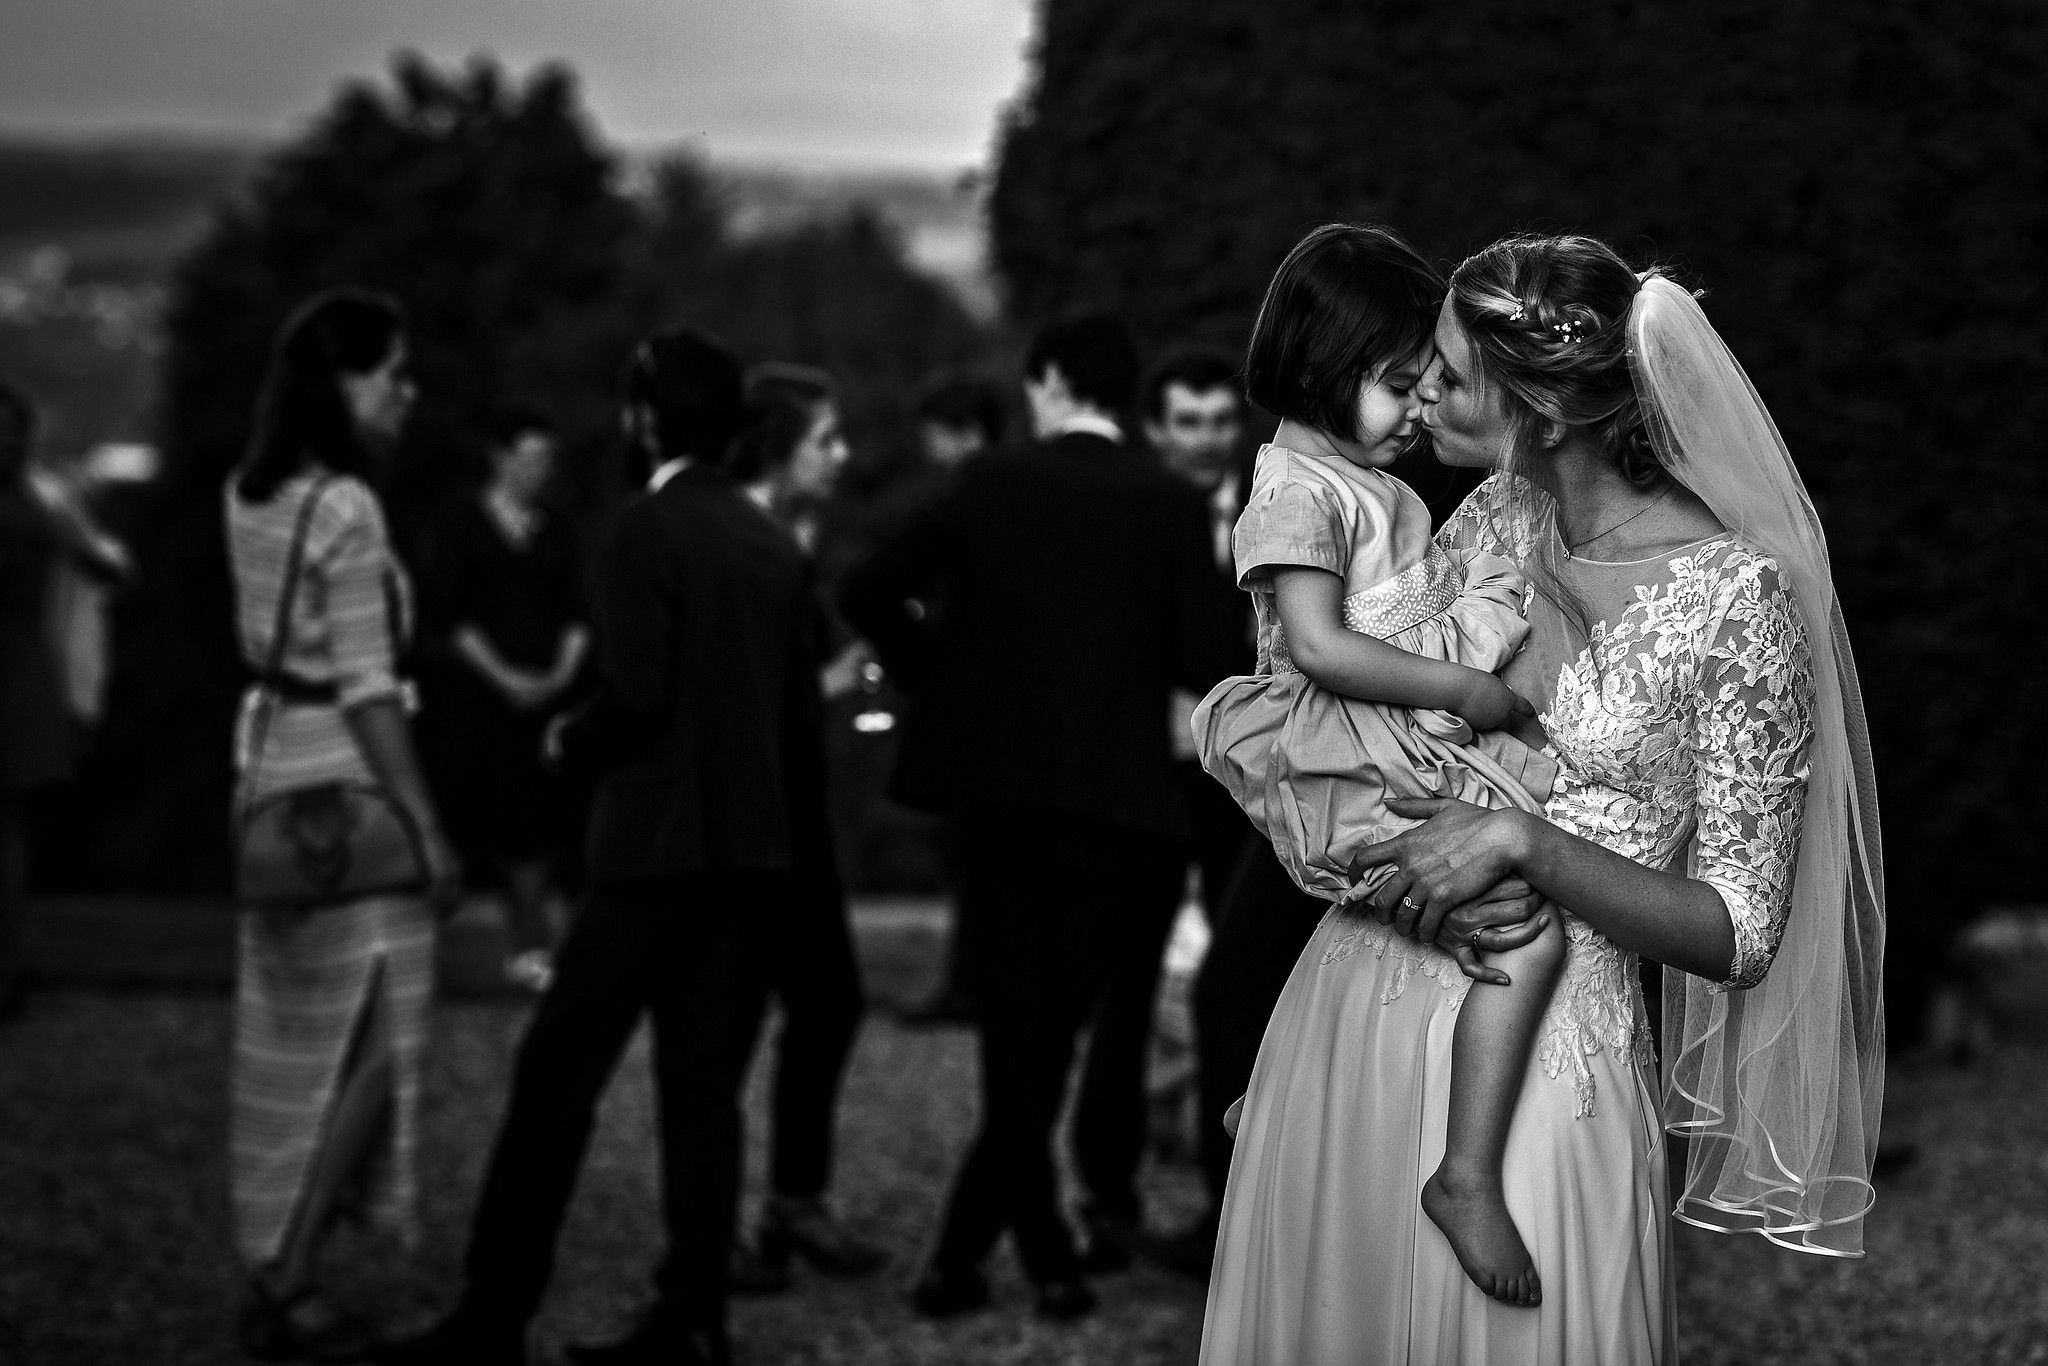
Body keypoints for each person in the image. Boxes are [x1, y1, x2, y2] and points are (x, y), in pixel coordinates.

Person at [1201, 233, 1884, 1364]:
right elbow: (1345, 732)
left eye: (1448, 374)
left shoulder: (1735, 600)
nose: (1422, 392)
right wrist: (1369, 864)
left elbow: (1740, 931)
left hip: (1549, 1057)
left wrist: (1525, 844)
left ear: (1545, 411)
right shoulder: (1490, 520)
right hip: (1351, 1003)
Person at [381, 327, 827, 1366]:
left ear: (643, 419)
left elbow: (632, 693)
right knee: (700, 1089)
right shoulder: (768, 542)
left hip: (652, 847)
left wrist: (565, 739)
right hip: (741, 852)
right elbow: (788, 717)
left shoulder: (643, 529)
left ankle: (494, 1312)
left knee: (555, 1077)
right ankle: (694, 1313)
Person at [1192, 223, 1565, 1304]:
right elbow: (1315, 646)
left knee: (1453, 903)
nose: (1418, 410)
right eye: (1399, 386)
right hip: (1347, 748)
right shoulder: (1296, 491)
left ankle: (1281, 1098)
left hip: (1391, 737)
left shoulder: (1366, 482)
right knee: (1525, 928)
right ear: (1323, 365)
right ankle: (1463, 1176)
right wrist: (1463, 689)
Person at [841, 313, 1234, 1321]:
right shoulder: (1165, 501)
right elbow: (1207, 657)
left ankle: (980, 1255)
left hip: (1001, 800)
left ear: (1052, 383)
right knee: (1049, 1034)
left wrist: (948, 687)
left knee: (1019, 1034)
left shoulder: (991, 480)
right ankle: (1029, 1250)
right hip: (1117, 806)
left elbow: (867, 588)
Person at [221, 289, 462, 1362]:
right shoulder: (349, 510)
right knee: (379, 1040)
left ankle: (275, 1248)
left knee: (286, 1037)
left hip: (269, 769)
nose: (407, 393)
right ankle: (291, 1272)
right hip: (350, 789)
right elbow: (368, 688)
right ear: (342, 383)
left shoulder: (248, 493)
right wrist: (426, 827)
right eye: (391, 373)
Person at [721, 361, 887, 1290]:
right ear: (778, 448)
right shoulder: (733, 541)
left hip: (797, 816)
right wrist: (826, 684)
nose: (842, 454)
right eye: (825, 439)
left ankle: (792, 1200)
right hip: (743, 825)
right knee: (727, 1023)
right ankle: (718, 1228)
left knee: (828, 1002)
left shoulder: (792, 541)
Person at [425, 406, 590, 994]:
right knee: (489, 820)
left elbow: (577, 609)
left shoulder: (557, 528)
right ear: (500, 457)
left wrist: (559, 675)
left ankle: (539, 942)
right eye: (530, 457)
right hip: (482, 706)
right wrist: (504, 678)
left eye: (546, 459)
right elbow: (452, 614)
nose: (540, 470)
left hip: (548, 702)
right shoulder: (463, 525)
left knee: (547, 825)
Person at [0, 384, 131, 1020]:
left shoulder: (44, 506)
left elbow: (107, 570)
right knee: (9, 833)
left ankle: (6, 969)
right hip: (24, 672)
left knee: (9, 833)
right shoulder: (42, 506)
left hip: (21, 673)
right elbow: (108, 570)